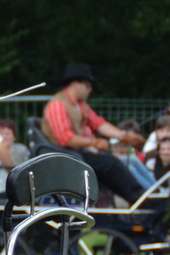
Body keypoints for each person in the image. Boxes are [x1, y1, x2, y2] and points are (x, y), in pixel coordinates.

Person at [40, 63, 148, 204]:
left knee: (109, 161)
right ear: (76, 83)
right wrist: (94, 142)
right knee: (110, 164)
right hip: (64, 155)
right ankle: (139, 199)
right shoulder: (57, 105)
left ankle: (137, 198)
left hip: (76, 154)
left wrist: (124, 136)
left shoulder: (81, 105)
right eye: (88, 85)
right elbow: (65, 139)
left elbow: (98, 123)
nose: (90, 90)